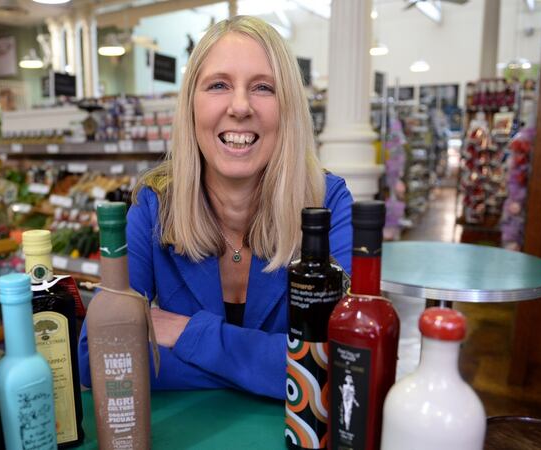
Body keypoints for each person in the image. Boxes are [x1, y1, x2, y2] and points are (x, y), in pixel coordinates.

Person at [78, 15, 353, 400]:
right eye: (218, 85)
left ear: (288, 107)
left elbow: (341, 365)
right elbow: (99, 360)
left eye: (263, 87)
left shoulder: (328, 203)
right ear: (191, 105)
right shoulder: (154, 203)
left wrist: (189, 334)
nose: (240, 106)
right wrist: (278, 364)